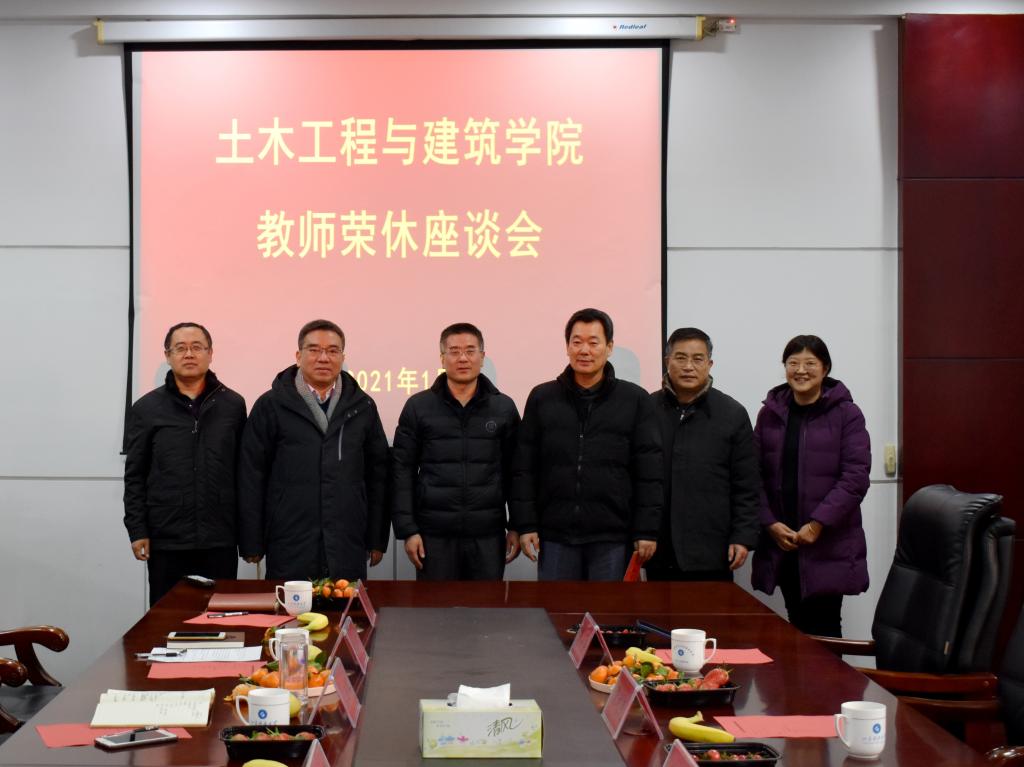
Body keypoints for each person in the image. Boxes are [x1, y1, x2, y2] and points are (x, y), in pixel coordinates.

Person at [512, 308, 661, 581]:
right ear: (567, 347)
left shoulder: (635, 400)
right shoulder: (543, 398)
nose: (584, 350)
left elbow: (649, 473)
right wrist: (526, 523)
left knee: (610, 609)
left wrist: (646, 530)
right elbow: (524, 468)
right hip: (556, 535)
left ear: (609, 347)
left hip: (612, 536)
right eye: (577, 342)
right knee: (556, 608)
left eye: (594, 342)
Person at [238, 319, 390, 581]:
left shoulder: (362, 406)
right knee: (291, 606)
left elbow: (378, 476)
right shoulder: (271, 405)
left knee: (345, 605)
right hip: (289, 538)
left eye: (332, 351)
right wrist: (251, 540)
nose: (323, 358)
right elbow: (251, 475)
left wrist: (377, 538)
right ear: (298, 356)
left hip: (346, 538)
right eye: (314, 350)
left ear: (342, 357)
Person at [751, 334, 871, 637]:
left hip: (827, 542)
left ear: (825, 368)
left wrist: (817, 524)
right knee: (797, 626)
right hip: (784, 540)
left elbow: (855, 477)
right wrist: (770, 524)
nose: (801, 370)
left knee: (825, 628)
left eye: (810, 363)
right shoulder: (770, 415)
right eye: (793, 363)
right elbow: (753, 475)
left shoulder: (847, 414)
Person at [123, 322, 247, 606]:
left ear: (210, 353)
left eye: (197, 347)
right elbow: (135, 476)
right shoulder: (146, 408)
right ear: (168, 356)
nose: (189, 354)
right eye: (180, 348)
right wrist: (138, 530)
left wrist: (249, 534)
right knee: (167, 620)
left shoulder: (232, 405)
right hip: (167, 538)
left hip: (220, 537)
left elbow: (244, 473)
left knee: (219, 617)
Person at [391, 323, 521, 580]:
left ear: (482, 357)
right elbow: (402, 471)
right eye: (454, 351)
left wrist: (517, 525)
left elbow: (517, 472)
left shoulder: (503, 408)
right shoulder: (418, 407)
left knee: (486, 604)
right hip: (433, 535)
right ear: (442, 358)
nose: (463, 358)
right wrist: (408, 530)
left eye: (470, 351)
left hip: (487, 534)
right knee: (435, 605)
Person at [645, 328, 760, 581]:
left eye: (698, 359)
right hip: (658, 547)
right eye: (680, 358)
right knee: (657, 608)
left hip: (712, 548)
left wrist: (743, 536)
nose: (689, 366)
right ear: (667, 361)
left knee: (710, 609)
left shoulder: (732, 413)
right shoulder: (647, 409)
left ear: (709, 364)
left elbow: (746, 484)